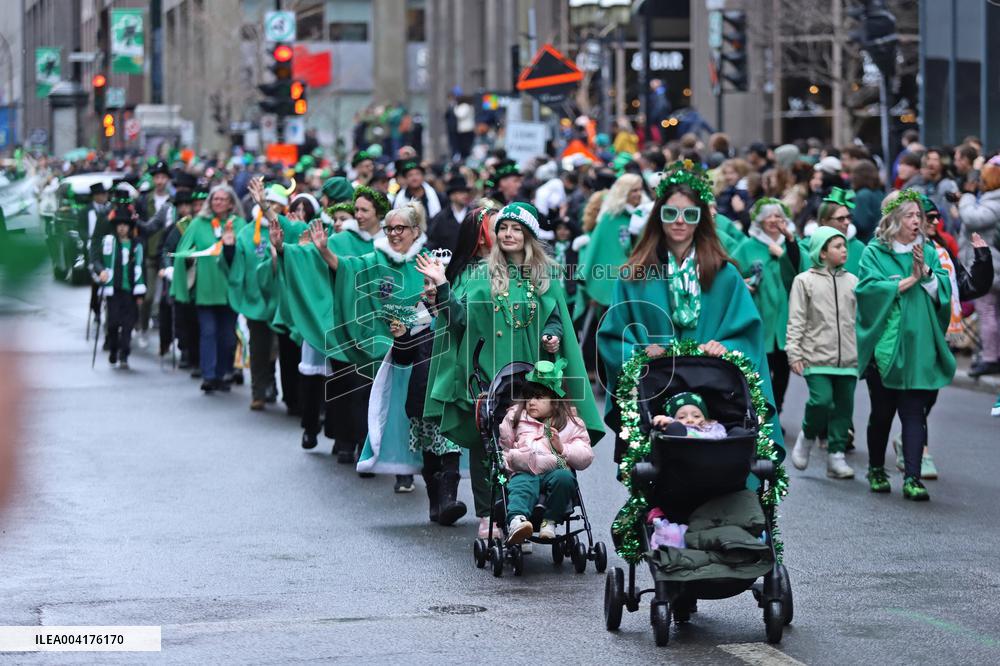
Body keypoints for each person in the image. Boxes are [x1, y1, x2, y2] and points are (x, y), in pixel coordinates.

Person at [420, 202, 603, 540]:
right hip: (489, 377)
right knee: (487, 442)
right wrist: (442, 287)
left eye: (516, 229)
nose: (507, 234)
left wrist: (553, 336)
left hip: (537, 379)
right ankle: (490, 514)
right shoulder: (479, 276)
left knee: (540, 439)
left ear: (529, 235)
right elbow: (459, 320)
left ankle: (537, 510)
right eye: (502, 228)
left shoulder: (545, 277)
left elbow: (556, 317)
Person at [598, 160, 785, 462]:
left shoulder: (725, 275)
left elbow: (748, 334)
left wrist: (726, 347)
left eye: (690, 214)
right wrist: (641, 352)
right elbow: (612, 337)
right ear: (658, 217)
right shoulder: (633, 276)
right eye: (670, 213)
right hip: (656, 392)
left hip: (716, 398)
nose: (679, 221)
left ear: (702, 220)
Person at [856, 189, 955, 501]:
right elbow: (867, 291)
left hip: (918, 346)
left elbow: (943, 290)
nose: (917, 221)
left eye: (919, 216)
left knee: (915, 412)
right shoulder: (874, 251)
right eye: (911, 215)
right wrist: (906, 282)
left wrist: (925, 274)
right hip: (885, 349)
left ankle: (913, 478)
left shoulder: (926, 251)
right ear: (894, 219)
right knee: (883, 413)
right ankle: (875, 468)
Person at [378, 277, 467, 525]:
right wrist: (401, 338)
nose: (429, 288)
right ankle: (436, 501)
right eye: (425, 282)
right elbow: (404, 358)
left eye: (434, 282)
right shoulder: (420, 315)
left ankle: (449, 500)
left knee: (451, 448)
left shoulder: (455, 311)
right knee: (431, 453)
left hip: (450, 394)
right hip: (423, 394)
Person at [786, 227, 858, 479]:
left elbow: (860, 320)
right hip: (815, 356)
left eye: (844, 245)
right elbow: (796, 319)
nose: (844, 250)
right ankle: (807, 436)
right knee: (821, 400)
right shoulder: (804, 281)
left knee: (844, 408)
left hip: (848, 358)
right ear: (822, 252)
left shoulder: (853, 281)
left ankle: (835, 457)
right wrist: (794, 353)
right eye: (837, 246)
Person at [497, 359, 593, 544]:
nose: (532, 402)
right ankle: (518, 521)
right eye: (529, 397)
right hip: (525, 468)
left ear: (555, 401)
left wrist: (563, 448)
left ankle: (550, 521)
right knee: (521, 485)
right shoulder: (516, 417)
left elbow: (585, 456)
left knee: (565, 479)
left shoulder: (571, 423)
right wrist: (508, 461)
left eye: (539, 398)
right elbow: (506, 444)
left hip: (555, 469)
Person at [170, 185, 247, 393]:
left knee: (228, 337)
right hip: (205, 289)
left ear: (231, 203)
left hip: (229, 289)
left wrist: (229, 247)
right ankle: (209, 375)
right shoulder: (198, 223)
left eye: (223, 199)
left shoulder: (239, 225)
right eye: (215, 199)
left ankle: (223, 373)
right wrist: (190, 257)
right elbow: (183, 249)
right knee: (208, 332)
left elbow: (245, 256)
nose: (218, 202)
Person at [731, 198, 801, 417]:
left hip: (787, 319)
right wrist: (742, 282)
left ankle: (776, 408)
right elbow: (731, 274)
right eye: (769, 216)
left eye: (778, 216)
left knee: (782, 370)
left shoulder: (792, 243)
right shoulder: (748, 246)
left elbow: (803, 269)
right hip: (760, 317)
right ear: (759, 221)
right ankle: (759, 409)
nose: (773, 220)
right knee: (760, 368)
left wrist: (787, 247)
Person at [957, 155, 1000, 378]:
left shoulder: (994, 201)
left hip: (990, 264)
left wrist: (965, 198)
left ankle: (991, 358)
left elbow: (973, 218)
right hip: (992, 262)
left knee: (987, 310)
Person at [93, 202, 146, 370]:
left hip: (130, 290)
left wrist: (141, 293)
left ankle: (125, 353)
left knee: (128, 323)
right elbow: (97, 260)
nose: (122, 228)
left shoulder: (137, 246)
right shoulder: (109, 243)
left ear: (130, 227)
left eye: (125, 225)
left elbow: (141, 269)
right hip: (113, 290)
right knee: (114, 323)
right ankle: (114, 349)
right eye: (119, 225)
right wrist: (100, 270)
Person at [161, 188, 206, 372]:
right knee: (184, 317)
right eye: (194, 205)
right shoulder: (181, 226)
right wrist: (169, 267)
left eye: (199, 205)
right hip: (186, 279)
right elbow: (166, 250)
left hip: (207, 279)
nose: (195, 208)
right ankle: (186, 351)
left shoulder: (214, 225)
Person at [799, 187, 865, 276]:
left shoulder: (859, 248)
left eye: (848, 217)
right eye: (840, 218)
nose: (847, 222)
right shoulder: (806, 246)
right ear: (824, 221)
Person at [651, 392, 727, 440]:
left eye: (696, 416)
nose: (690, 420)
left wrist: (695, 436)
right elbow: (670, 423)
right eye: (681, 417)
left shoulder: (711, 426)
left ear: (705, 417)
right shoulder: (676, 427)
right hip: (683, 454)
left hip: (709, 452)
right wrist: (664, 421)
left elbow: (720, 436)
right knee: (674, 429)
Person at [426, 174, 471, 253]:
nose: (465, 195)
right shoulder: (440, 218)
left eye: (466, 192)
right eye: (460, 192)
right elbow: (432, 242)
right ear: (452, 195)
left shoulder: (474, 215)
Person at [850, 159, 884, 243]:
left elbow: (861, 224)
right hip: (879, 240)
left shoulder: (863, 195)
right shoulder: (880, 193)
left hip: (866, 243)